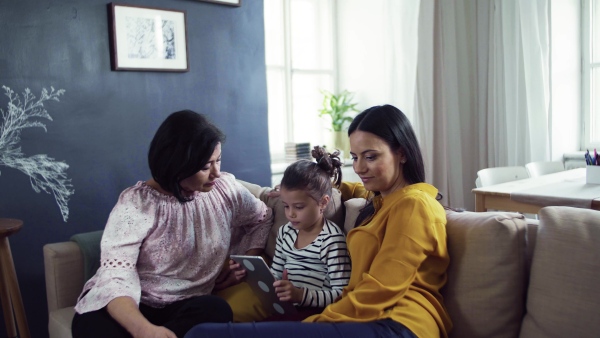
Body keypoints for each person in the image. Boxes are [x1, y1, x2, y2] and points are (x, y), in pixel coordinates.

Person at [184, 104, 452, 338]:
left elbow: (379, 292)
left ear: (402, 153)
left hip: (398, 324)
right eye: (355, 157)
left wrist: (315, 325)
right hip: (363, 320)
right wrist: (305, 189)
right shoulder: (381, 199)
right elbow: (354, 189)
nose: (359, 168)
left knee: (202, 334)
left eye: (371, 157)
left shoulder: (415, 205)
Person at [71, 110, 274, 338]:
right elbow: (116, 277)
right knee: (90, 324)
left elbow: (261, 218)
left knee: (216, 310)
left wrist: (245, 261)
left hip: (185, 305)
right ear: (177, 163)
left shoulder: (225, 190)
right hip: (132, 302)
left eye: (218, 160)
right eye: (206, 166)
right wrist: (144, 330)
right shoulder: (137, 203)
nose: (216, 173)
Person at [260, 146, 351, 321]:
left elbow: (342, 293)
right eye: (286, 206)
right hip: (286, 310)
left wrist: (300, 295)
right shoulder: (285, 232)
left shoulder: (332, 241)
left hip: (316, 315)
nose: (290, 214)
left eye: (299, 207)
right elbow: (276, 274)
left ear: (323, 202)